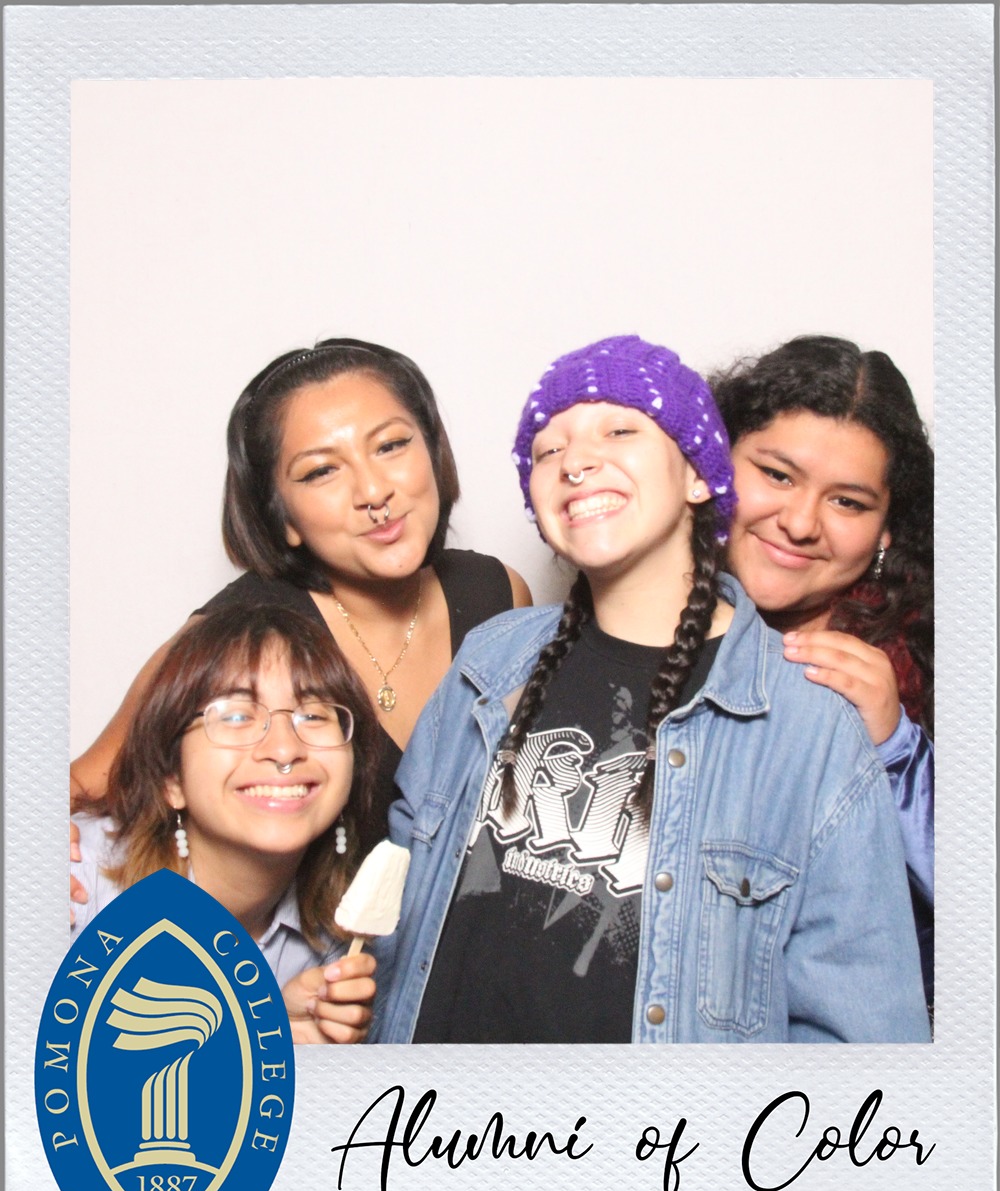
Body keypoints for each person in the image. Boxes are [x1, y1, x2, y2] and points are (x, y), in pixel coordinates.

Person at [371, 334, 930, 1045]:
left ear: (700, 473)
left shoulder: (818, 721)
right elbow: (393, 904)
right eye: (548, 450)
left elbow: (862, 1027)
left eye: (620, 431)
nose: (576, 460)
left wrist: (897, 748)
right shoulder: (491, 660)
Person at [70, 338, 531, 855]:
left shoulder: (499, 594)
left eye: (390, 446)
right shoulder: (235, 629)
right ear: (283, 517)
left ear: (433, 451)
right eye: (321, 471)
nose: (373, 492)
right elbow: (79, 788)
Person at [708, 336, 933, 1002]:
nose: (801, 523)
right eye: (777, 475)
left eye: (848, 503)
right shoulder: (636, 617)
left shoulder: (935, 660)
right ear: (712, 462)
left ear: (887, 531)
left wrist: (896, 749)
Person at [72, 605, 382, 1044]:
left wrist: (278, 1040)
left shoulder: (340, 953)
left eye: (314, 715)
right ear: (171, 778)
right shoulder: (76, 889)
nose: (284, 749)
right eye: (236, 716)